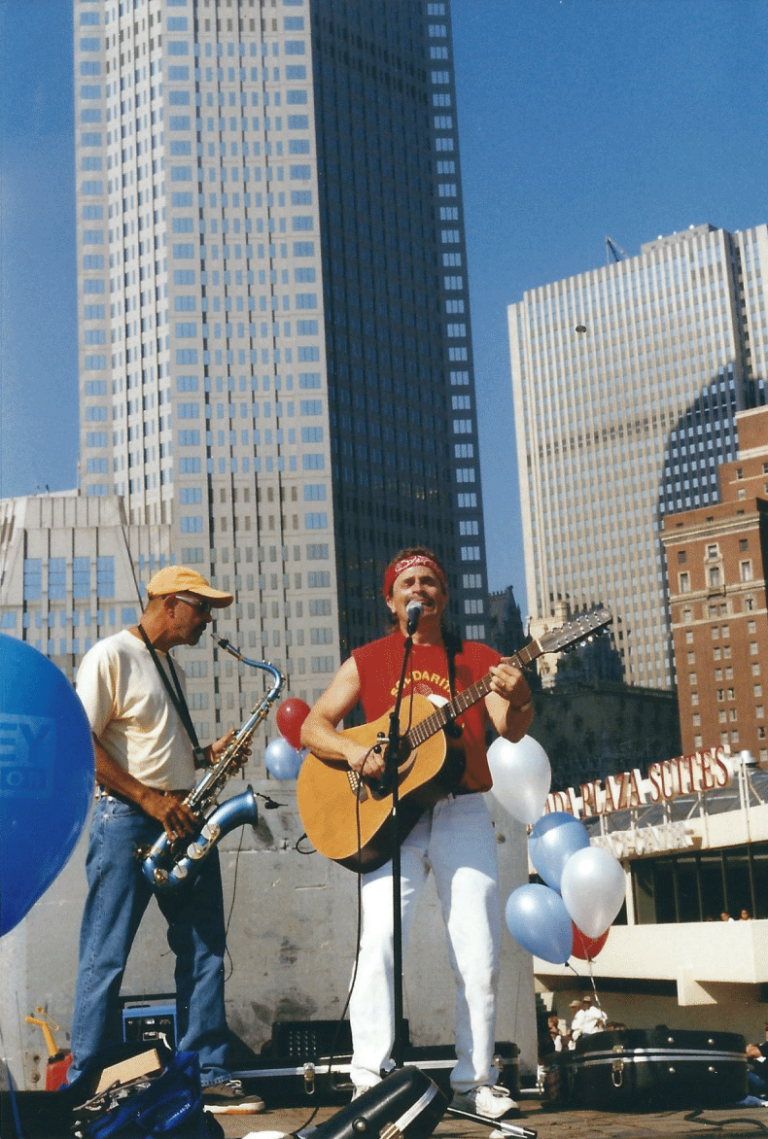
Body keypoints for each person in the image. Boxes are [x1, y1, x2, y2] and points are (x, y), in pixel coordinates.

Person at [300, 547, 534, 1121]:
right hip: (390, 817)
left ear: (444, 597)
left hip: (462, 811)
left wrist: (521, 693)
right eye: (408, 581)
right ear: (391, 598)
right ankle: (367, 1078)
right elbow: (313, 727)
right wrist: (357, 752)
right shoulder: (370, 659)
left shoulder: (477, 658)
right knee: (376, 943)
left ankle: (476, 1080)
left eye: (430, 581)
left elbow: (508, 729)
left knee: (478, 950)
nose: (419, 588)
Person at [67, 566, 262, 1109]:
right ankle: (90, 1083)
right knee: (105, 955)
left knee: (203, 948)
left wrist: (205, 756)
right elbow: (82, 742)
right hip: (128, 820)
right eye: (202, 608)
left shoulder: (167, 665)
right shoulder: (111, 654)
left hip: (179, 815)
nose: (209, 621)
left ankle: (207, 1074)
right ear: (172, 603)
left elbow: (149, 747)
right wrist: (149, 798)